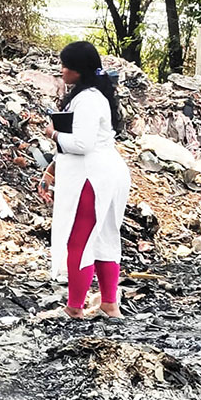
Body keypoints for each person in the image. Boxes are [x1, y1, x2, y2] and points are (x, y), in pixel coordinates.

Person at [38, 41, 130, 319]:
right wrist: (51, 169)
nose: (61, 70)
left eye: (65, 65)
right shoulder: (92, 96)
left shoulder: (88, 100)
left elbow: (82, 143)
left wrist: (52, 134)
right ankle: (109, 304)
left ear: (78, 70)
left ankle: (74, 307)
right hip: (106, 172)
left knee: (79, 240)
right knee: (104, 239)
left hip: (93, 176)